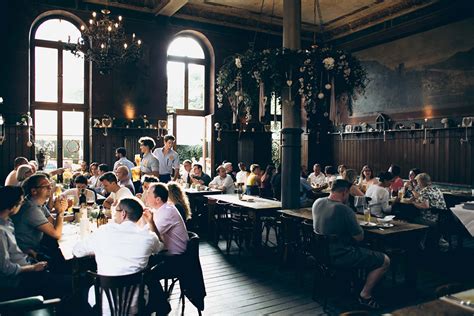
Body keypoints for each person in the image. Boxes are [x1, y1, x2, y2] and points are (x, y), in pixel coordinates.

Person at [72, 197, 169, 315]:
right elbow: (160, 247)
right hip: (136, 305)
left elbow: (77, 251)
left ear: (123, 214)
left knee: (78, 290)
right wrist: (150, 222)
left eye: (116, 211)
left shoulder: (103, 232)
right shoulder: (148, 237)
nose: (114, 214)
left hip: (103, 306)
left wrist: (96, 249)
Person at [312, 180, 390, 309]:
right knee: (385, 260)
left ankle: (352, 285)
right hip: (341, 255)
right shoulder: (343, 209)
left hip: (321, 254)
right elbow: (359, 237)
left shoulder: (318, 202)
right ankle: (365, 295)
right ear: (345, 192)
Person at [0, 186, 72, 302]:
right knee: (70, 283)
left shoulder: (7, 221)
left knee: (61, 266)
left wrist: (26, 252)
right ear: (12, 206)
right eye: (20, 202)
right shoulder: (1, 231)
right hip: (19, 280)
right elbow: (5, 269)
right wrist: (33, 268)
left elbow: (10, 250)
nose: (23, 204)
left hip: (27, 260)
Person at [11, 173, 68, 264]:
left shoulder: (38, 203)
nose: (50, 188)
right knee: (64, 260)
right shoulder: (31, 208)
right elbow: (56, 234)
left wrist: (61, 211)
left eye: (50, 185)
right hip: (25, 254)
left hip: (36, 247)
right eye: (46, 186)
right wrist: (60, 212)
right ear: (34, 191)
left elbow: (53, 223)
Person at [145, 183, 189, 255]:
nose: (146, 197)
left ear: (158, 199)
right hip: (166, 251)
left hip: (175, 256)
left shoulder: (167, 212)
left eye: (148, 194)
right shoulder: (159, 209)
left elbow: (151, 236)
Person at [411, 173, 447, 250]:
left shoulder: (425, 190)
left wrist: (414, 203)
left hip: (429, 220)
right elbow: (424, 199)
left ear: (421, 182)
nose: (417, 184)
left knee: (411, 219)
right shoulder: (436, 189)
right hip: (441, 219)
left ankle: (418, 243)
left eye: (417, 182)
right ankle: (426, 240)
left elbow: (425, 206)